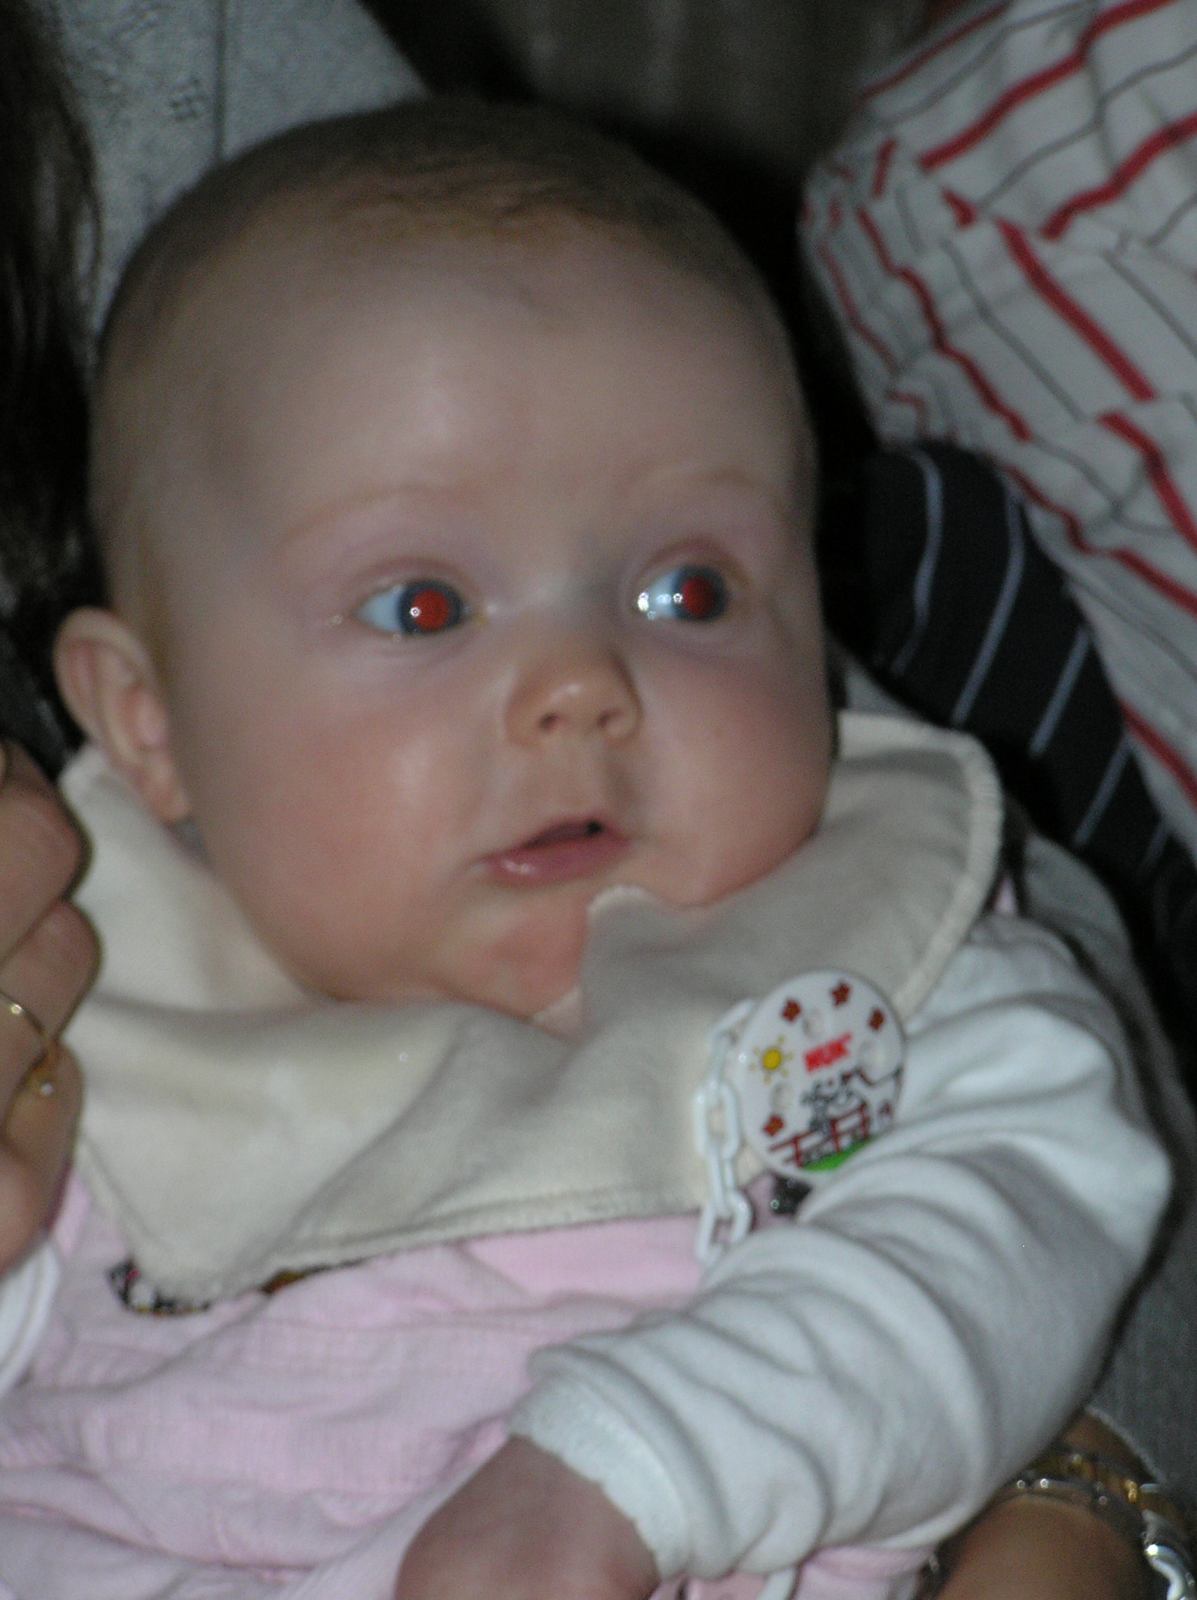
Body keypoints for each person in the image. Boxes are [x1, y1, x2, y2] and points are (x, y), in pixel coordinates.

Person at [0, 99, 1167, 1600]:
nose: (579, 685)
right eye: (422, 606)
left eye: (691, 592)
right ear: (150, 723)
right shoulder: (93, 1021)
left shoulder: (874, 972)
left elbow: (1010, 1233)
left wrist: (626, 1472)